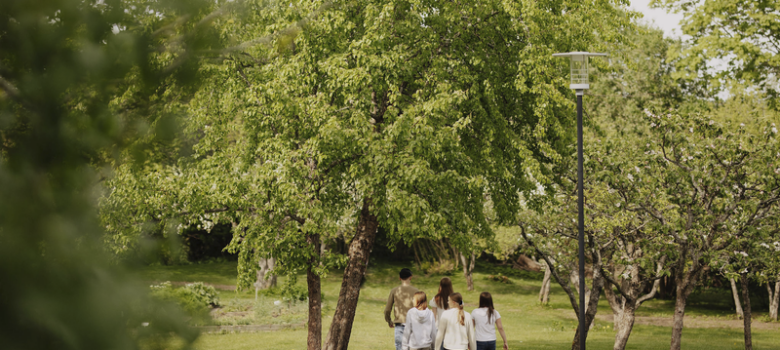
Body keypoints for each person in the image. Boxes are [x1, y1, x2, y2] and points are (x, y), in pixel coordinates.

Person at [385, 268, 420, 350]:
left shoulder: (394, 291)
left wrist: (389, 320)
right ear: (410, 277)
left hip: (399, 325)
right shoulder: (416, 291)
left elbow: (387, 310)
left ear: (399, 278)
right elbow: (420, 309)